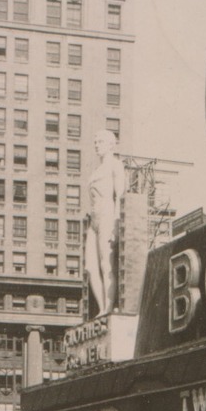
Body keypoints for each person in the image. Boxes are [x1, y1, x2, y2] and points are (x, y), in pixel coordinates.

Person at [83, 129, 124, 317]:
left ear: (110, 144)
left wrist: (117, 223)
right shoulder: (96, 171)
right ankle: (101, 308)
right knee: (90, 268)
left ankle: (108, 307)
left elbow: (120, 196)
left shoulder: (115, 165)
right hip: (94, 220)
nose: (97, 145)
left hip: (108, 215)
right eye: (95, 142)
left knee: (106, 264)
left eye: (100, 141)